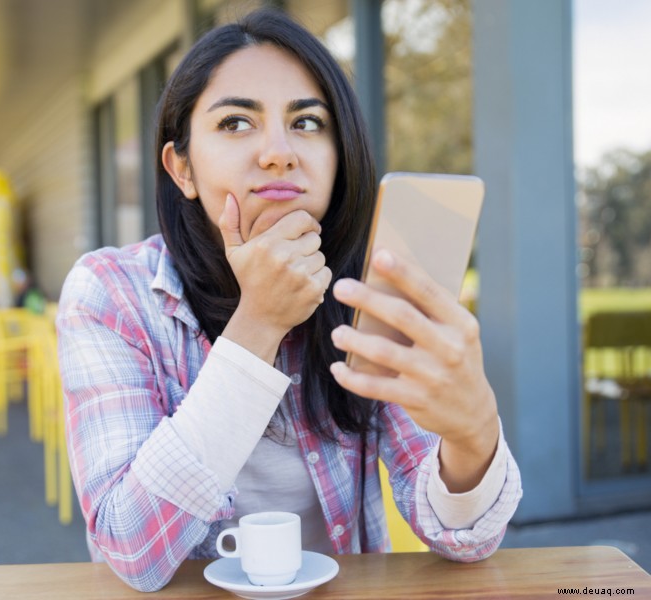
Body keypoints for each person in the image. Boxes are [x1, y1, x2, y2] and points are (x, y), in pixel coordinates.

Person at [57, 8, 522, 593]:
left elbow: (464, 537)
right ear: (182, 168)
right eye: (234, 123)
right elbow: (129, 547)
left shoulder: (368, 290)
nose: (279, 152)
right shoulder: (112, 292)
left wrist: (473, 432)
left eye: (307, 123)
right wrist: (259, 322)